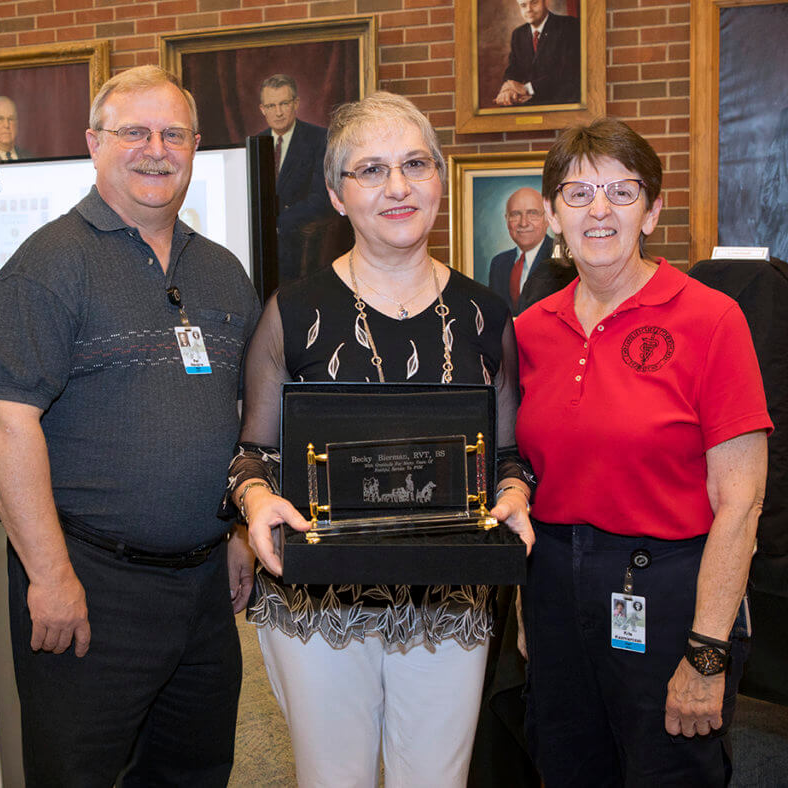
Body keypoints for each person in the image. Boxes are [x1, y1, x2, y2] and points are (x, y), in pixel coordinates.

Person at [228, 91, 535, 787]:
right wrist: (253, 500)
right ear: (337, 195)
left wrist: (515, 492)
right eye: (370, 170)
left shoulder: (486, 314)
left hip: (450, 596)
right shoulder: (293, 312)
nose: (397, 187)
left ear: (439, 180)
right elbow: (254, 452)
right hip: (317, 603)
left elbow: (512, 455)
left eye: (415, 164)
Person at [0, 65, 260, 785]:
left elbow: (233, 420)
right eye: (134, 131)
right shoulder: (47, 267)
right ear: (94, 143)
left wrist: (230, 535)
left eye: (173, 134)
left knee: (194, 770)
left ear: (195, 146)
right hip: (88, 584)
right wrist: (50, 575)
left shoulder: (224, 272)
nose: (154, 149)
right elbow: (5, 425)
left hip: (200, 594)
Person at [516, 118, 771, 785]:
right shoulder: (527, 332)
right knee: (566, 767)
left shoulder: (712, 319)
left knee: (669, 772)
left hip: (670, 592)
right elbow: (518, 482)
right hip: (553, 590)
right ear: (550, 214)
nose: (599, 210)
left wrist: (707, 652)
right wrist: (527, 613)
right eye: (577, 194)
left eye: (622, 192)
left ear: (652, 210)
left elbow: (741, 503)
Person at [257, 74, 350, 282]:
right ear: (262, 109)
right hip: (259, 246)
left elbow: (322, 198)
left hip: (300, 245)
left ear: (296, 103)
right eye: (271, 106)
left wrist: (277, 223)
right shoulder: (255, 142)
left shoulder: (319, 139)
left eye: (284, 103)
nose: (278, 112)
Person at [488, 186, 575, 314]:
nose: (523, 223)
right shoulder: (499, 263)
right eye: (515, 214)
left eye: (532, 213)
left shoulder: (563, 260)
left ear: (547, 219)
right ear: (507, 220)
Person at [494, 0, 580, 107]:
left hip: (561, 103)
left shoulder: (568, 25)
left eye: (534, 3)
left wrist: (526, 89)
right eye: (523, 5)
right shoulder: (518, 34)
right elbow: (513, 69)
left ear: (546, 2)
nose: (529, 9)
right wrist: (508, 88)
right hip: (529, 103)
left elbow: (567, 72)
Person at [0, 95, 29, 161]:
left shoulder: (29, 157)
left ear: (17, 124)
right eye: (0, 119)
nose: (6, 125)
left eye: (11, 119)